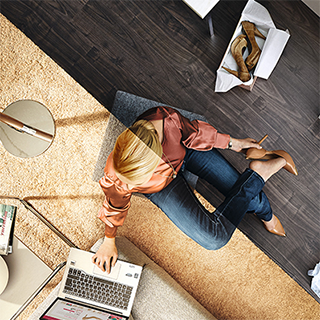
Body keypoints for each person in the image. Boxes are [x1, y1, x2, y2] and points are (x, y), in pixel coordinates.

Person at [92, 106, 295, 273]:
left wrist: (233, 143)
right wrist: (109, 240)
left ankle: (265, 210)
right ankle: (259, 174)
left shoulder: (165, 119)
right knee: (214, 238)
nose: (130, 186)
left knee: (253, 200)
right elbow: (114, 205)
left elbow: (194, 133)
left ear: (155, 162)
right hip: (161, 188)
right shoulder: (115, 174)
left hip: (185, 153)